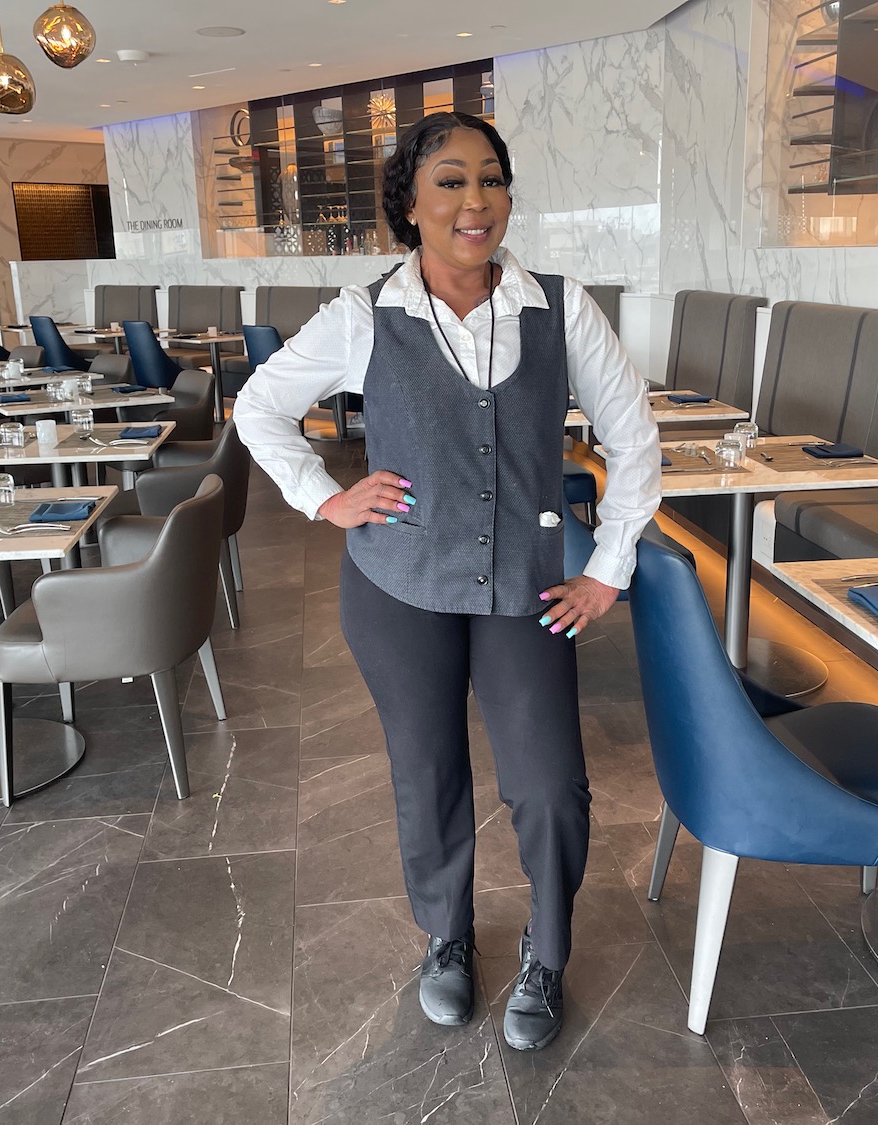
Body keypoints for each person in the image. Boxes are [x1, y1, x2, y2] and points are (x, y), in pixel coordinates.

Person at [233, 111, 661, 1051]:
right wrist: (325, 498)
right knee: (426, 773)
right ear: (412, 204)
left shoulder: (560, 305)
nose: (477, 201)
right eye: (452, 182)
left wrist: (606, 571)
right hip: (397, 585)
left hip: (527, 585)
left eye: (493, 180)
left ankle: (548, 950)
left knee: (548, 782)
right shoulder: (363, 313)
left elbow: (635, 442)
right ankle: (447, 938)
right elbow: (259, 403)